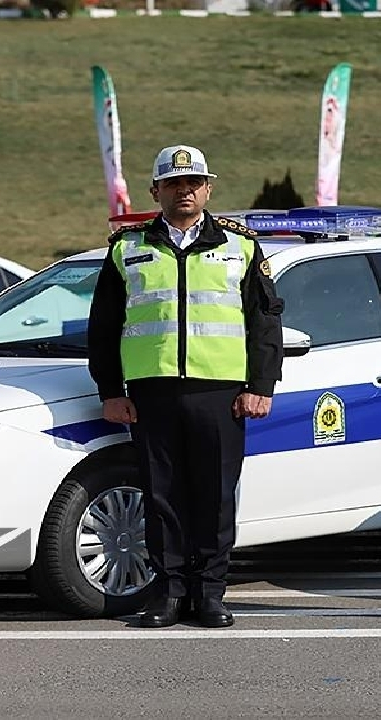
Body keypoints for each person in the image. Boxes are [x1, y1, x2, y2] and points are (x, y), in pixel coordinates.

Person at [87, 144, 285, 629]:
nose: (185, 190)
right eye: (174, 184)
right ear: (156, 190)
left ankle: (211, 593)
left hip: (221, 392)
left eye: (194, 182)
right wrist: (111, 389)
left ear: (208, 189)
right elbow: (104, 325)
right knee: (162, 495)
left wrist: (260, 384)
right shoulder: (128, 248)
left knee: (215, 495)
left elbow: (264, 323)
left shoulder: (240, 245)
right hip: (153, 392)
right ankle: (170, 592)